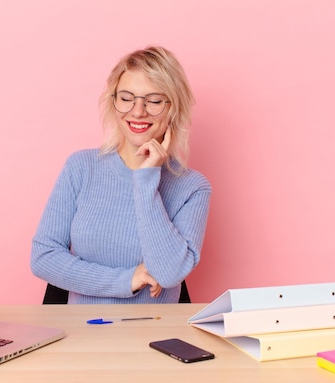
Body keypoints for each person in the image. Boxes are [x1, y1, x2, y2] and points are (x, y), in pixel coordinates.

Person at [31, 46, 212, 304]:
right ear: (113, 102)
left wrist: (147, 178)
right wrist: (125, 280)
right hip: (82, 335)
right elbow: (43, 257)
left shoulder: (193, 187)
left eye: (154, 100)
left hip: (152, 337)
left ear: (173, 107)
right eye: (127, 98)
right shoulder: (81, 167)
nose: (138, 111)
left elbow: (169, 273)